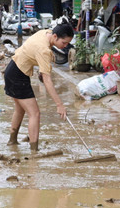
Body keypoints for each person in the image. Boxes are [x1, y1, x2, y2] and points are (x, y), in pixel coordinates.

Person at [4, 23, 73, 152]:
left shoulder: (45, 33)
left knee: (20, 110)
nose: (65, 46)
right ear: (55, 36)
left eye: (67, 44)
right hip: (18, 76)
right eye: (64, 43)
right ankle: (34, 151)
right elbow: (47, 80)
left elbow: (34, 57)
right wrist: (59, 104)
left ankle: (12, 142)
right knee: (34, 113)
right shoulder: (44, 50)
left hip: (13, 70)